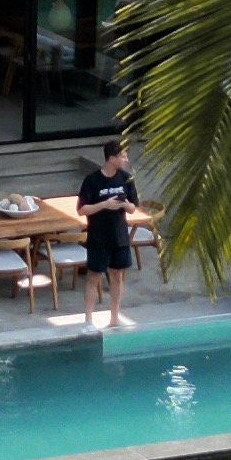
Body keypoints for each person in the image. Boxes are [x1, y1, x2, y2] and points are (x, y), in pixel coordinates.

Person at [76, 138, 142, 329]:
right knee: (93, 277)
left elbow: (133, 208)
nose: (126, 160)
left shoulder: (126, 179)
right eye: (123, 156)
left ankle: (114, 317)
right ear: (112, 158)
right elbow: (81, 210)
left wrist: (126, 205)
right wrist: (104, 205)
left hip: (119, 236)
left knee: (117, 277)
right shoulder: (92, 181)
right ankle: (88, 319)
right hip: (98, 237)